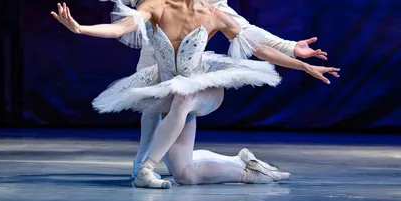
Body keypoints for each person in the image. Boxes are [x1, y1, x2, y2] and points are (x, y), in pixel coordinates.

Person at [51, 0, 340, 189]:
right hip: (169, 86)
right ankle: (246, 168)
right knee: (184, 175)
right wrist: (79, 28)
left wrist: (300, 61)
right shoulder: (155, 5)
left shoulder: (216, 12)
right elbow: (120, 28)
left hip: (204, 86)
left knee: (183, 95)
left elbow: (255, 43)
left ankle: (145, 169)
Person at [126, 0, 328, 181]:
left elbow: (248, 34)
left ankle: (144, 166)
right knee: (174, 158)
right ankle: (238, 161)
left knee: (181, 167)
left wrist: (290, 48)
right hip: (153, 73)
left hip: (184, 81)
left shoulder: (209, 6)